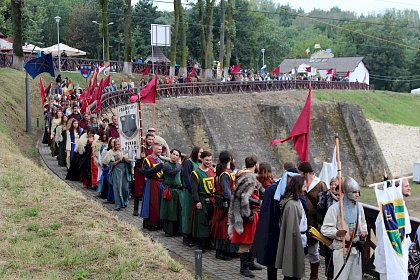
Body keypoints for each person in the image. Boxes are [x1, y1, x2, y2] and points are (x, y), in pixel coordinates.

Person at [252, 167, 301, 280]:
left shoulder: (294, 191)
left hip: (286, 231)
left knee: (288, 261)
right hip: (273, 232)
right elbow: (266, 213)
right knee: (272, 261)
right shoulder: (272, 190)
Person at [321, 177, 367, 280]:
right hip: (342, 250)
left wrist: (363, 232)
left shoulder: (359, 207)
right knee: (341, 277)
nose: (357, 195)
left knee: (356, 278)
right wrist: (337, 233)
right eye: (354, 192)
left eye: (358, 192)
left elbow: (363, 223)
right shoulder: (334, 209)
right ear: (347, 193)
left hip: (356, 250)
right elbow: (325, 229)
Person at [228, 155, 263, 278]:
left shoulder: (246, 175)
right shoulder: (248, 177)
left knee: (251, 240)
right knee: (245, 242)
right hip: (247, 213)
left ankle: (250, 263)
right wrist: (258, 203)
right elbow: (244, 197)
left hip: (252, 212)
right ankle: (244, 268)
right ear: (255, 164)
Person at [374, 179, 411, 280]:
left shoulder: (401, 206)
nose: (409, 188)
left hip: (403, 250)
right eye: (406, 186)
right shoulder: (387, 214)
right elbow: (384, 237)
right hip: (390, 255)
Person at [298, 161, 328, 280]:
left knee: (313, 250)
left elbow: (325, 206)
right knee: (299, 249)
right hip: (301, 221)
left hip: (315, 222)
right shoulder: (299, 184)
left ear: (305, 173)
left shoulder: (320, 185)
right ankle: (298, 274)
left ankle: (314, 276)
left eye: (300, 173)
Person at [275, 175, 308, 280]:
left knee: (295, 270)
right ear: (298, 186)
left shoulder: (296, 201)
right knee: (291, 271)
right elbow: (291, 229)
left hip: (299, 237)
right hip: (294, 239)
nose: (306, 189)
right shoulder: (292, 204)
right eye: (304, 186)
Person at [211, 151, 237, 261]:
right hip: (224, 205)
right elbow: (226, 192)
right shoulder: (225, 174)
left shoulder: (227, 172)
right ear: (229, 159)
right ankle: (220, 251)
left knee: (227, 228)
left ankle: (229, 250)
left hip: (226, 204)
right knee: (223, 228)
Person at [190, 151, 215, 252]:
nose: (208, 162)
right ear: (201, 159)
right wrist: (197, 201)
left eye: (210, 160)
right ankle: (200, 244)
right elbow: (194, 189)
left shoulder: (212, 170)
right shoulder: (195, 173)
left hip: (211, 200)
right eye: (206, 160)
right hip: (202, 199)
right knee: (201, 222)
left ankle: (208, 242)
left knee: (210, 221)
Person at [318, 177, 340, 280]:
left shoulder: (344, 199)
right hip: (328, 233)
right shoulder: (324, 197)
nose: (332, 186)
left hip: (340, 235)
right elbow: (319, 214)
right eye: (331, 184)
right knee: (329, 258)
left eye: (335, 184)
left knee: (339, 260)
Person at [181, 146, 203, 247]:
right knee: (187, 213)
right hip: (189, 193)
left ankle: (193, 234)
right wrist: (193, 190)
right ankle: (186, 236)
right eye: (200, 153)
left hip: (197, 193)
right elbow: (186, 178)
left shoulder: (200, 163)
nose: (201, 155)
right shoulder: (189, 163)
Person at [102, 139, 131, 211]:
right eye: (117, 144)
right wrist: (118, 160)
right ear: (114, 145)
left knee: (125, 188)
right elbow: (110, 164)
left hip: (125, 171)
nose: (118, 146)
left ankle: (124, 202)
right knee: (117, 188)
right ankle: (117, 205)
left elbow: (130, 161)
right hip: (116, 171)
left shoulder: (125, 151)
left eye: (119, 144)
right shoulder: (111, 153)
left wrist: (124, 157)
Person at [140, 144, 164, 230]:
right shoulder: (148, 159)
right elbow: (146, 172)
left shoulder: (159, 159)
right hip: (151, 183)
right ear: (154, 150)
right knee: (151, 203)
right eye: (158, 149)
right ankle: (150, 223)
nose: (160, 151)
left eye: (161, 150)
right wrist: (158, 167)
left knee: (159, 203)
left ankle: (158, 222)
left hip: (159, 183)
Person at [160, 148, 183, 236]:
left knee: (178, 211)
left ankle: (178, 230)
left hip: (178, 191)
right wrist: (180, 165)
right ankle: (168, 231)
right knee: (169, 211)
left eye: (177, 155)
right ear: (171, 154)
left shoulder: (178, 166)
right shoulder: (166, 165)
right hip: (169, 190)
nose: (174, 156)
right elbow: (173, 172)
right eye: (173, 154)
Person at [133, 134, 155, 216]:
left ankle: (147, 209)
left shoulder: (153, 150)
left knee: (147, 191)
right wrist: (140, 157)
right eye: (149, 139)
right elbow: (135, 160)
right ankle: (135, 209)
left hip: (148, 172)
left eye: (152, 139)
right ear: (146, 139)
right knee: (137, 190)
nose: (150, 141)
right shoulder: (140, 148)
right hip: (139, 171)